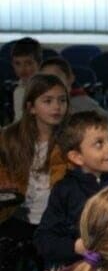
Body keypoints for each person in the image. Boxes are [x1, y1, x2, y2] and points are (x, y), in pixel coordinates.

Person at [34, 110, 108, 269]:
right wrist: (77, 247)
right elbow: (44, 240)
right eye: (99, 144)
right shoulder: (65, 190)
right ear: (77, 157)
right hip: (80, 270)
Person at [0, 74, 69, 234]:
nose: (57, 106)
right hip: (15, 218)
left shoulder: (71, 140)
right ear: (31, 108)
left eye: (62, 100)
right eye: (48, 101)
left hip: (56, 224)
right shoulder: (9, 139)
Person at [39, 57, 108, 128]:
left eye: (56, 78)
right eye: (45, 79)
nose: (50, 83)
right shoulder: (39, 103)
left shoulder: (83, 104)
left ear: (70, 79)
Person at [10, 37, 43, 122]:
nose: (22, 69)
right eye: (17, 63)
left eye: (28, 63)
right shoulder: (18, 90)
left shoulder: (47, 90)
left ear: (39, 63)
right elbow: (18, 121)